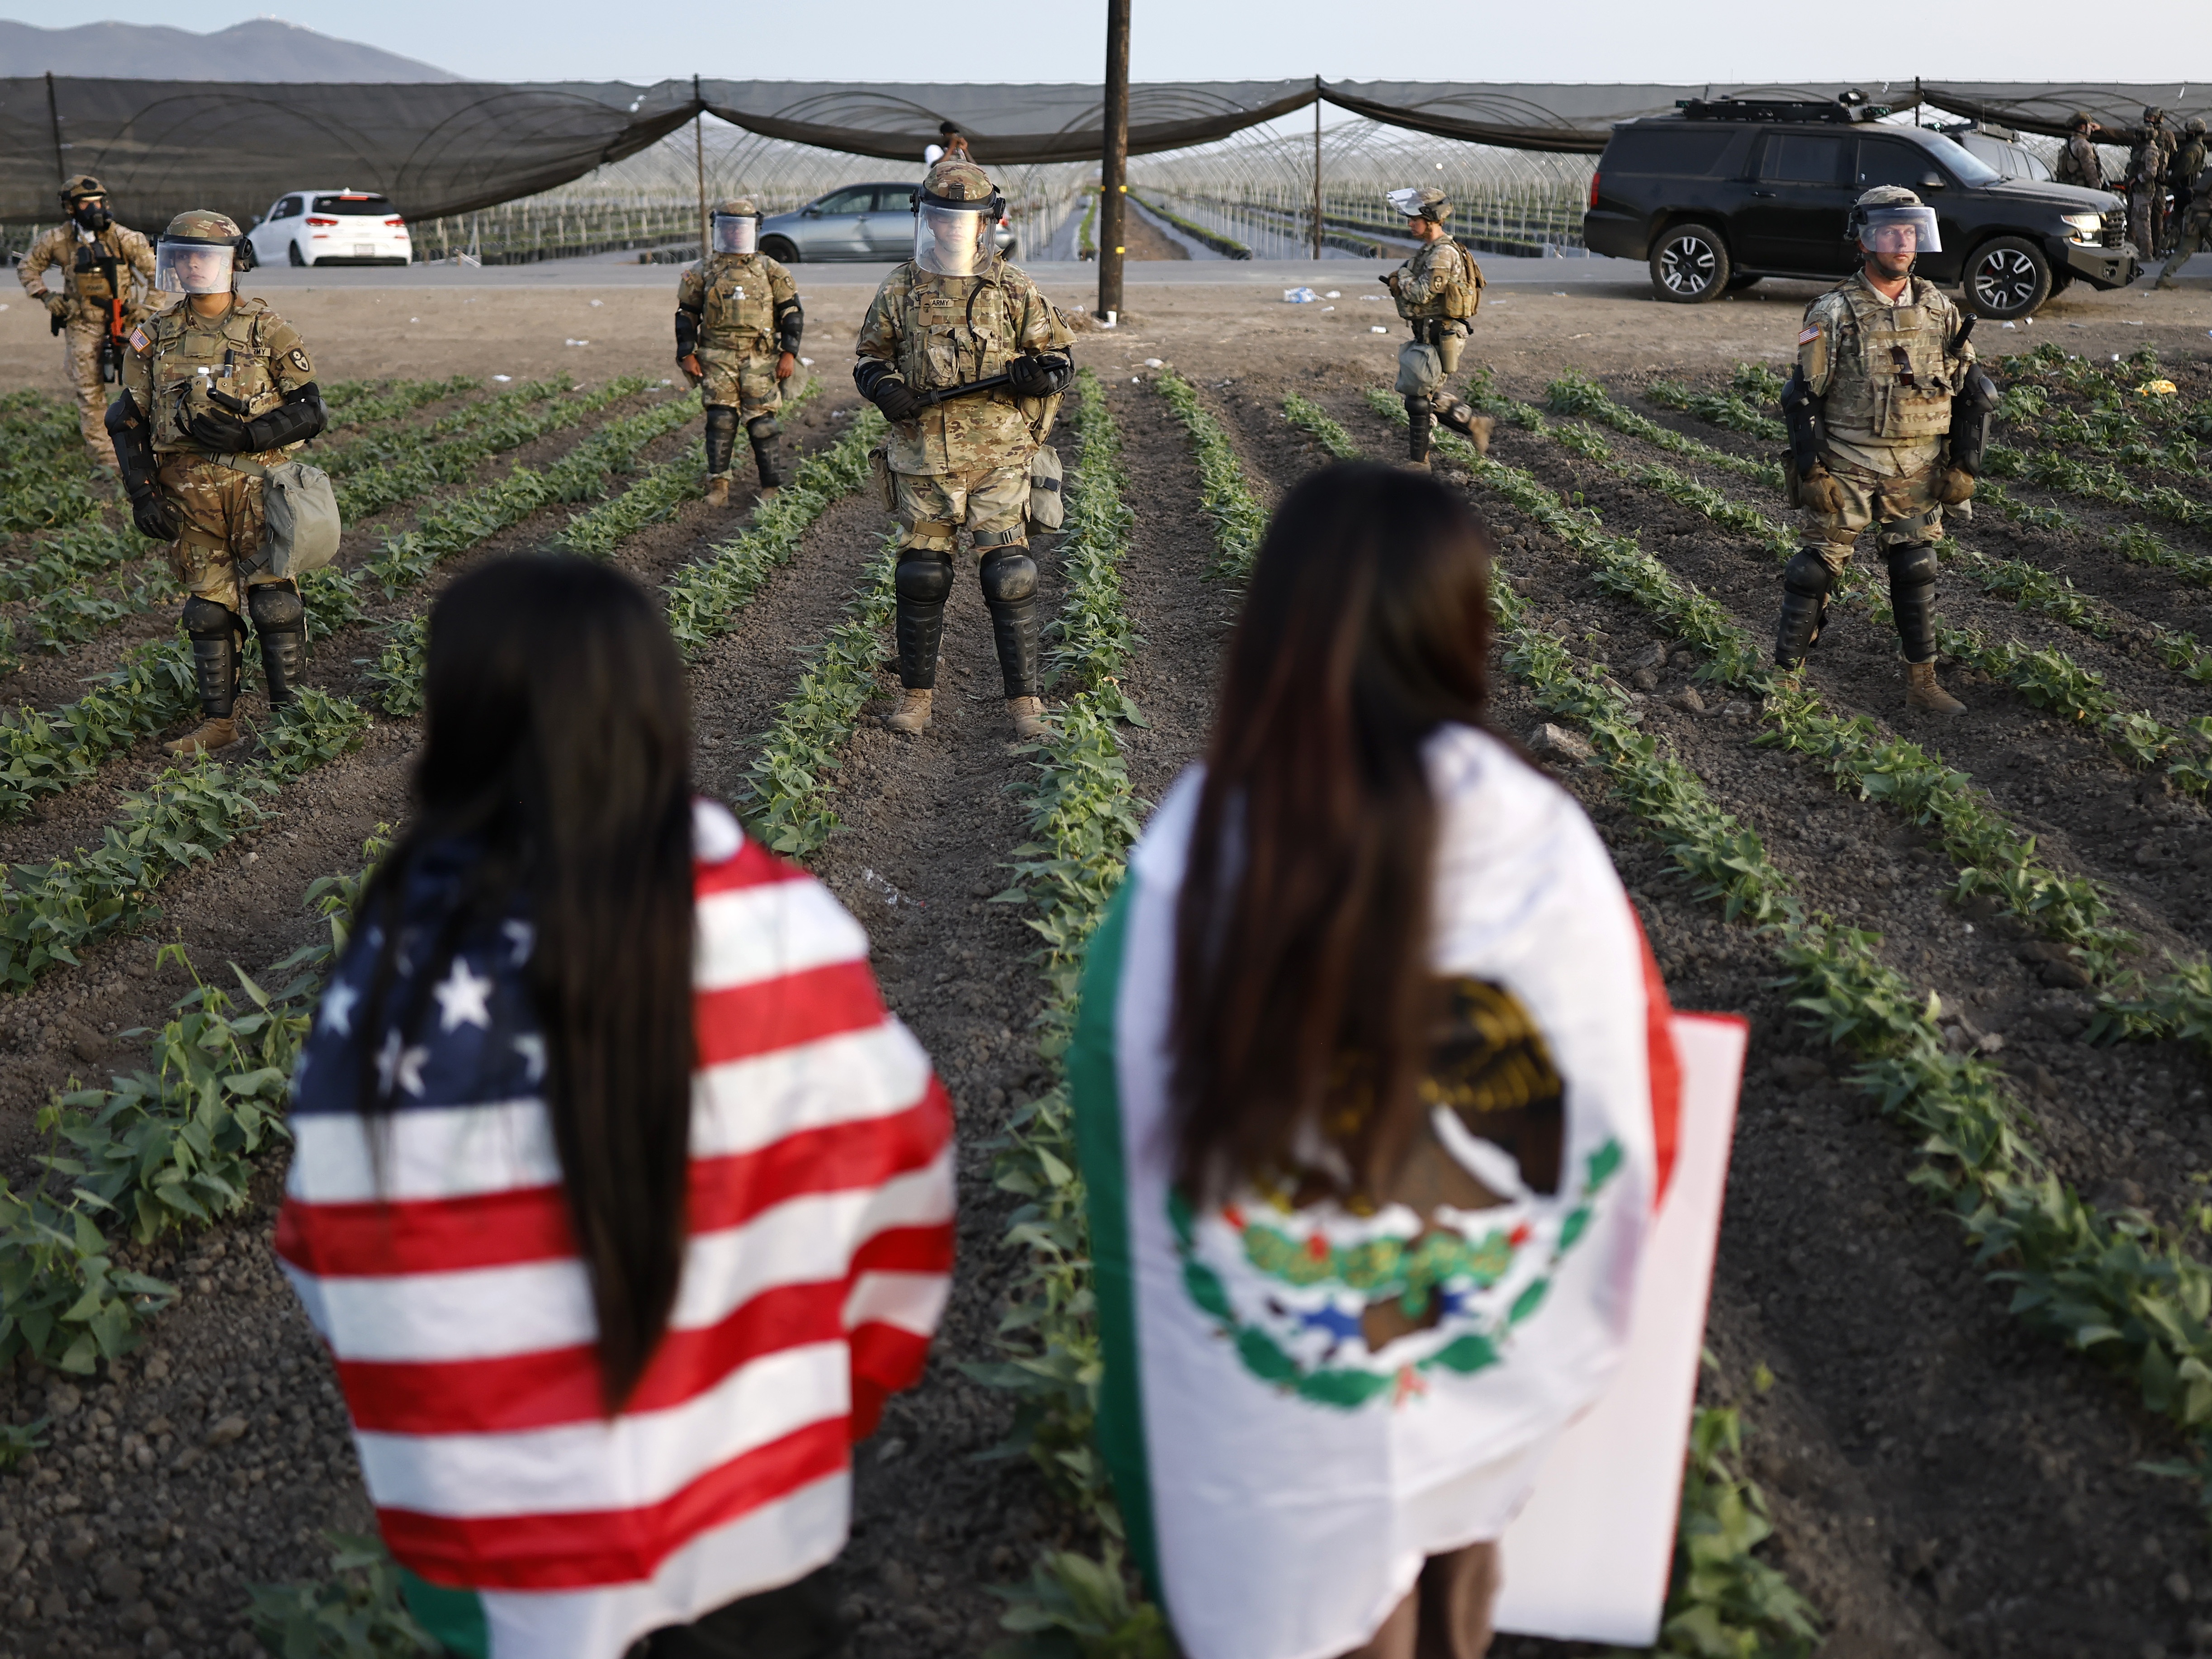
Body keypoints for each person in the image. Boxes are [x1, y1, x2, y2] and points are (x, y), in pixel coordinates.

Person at [276, 555, 955, 1659]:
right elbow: (905, 1187)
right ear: (658, 710)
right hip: (759, 1506)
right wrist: (841, 1396)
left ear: (455, 723)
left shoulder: (395, 967)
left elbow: (331, 1251)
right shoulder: (778, 933)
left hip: (506, 1550)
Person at [1070, 465, 1675, 1659]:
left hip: (1277, 1443)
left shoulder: (1191, 865)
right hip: (1480, 1388)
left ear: (1267, 635)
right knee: (1455, 1600)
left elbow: (1119, 1130)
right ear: (1465, 631)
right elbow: (1640, 1087)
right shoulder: (1545, 850)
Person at [853, 158, 1074, 739]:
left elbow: (1059, 359)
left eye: (965, 219)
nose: (953, 229)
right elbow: (869, 357)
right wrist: (885, 389)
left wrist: (1038, 376)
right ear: (927, 221)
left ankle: (1025, 705)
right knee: (922, 574)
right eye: (942, 218)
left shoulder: (1013, 287)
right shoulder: (901, 286)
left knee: (1011, 573)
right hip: (924, 455)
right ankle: (916, 699)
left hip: (999, 454)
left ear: (987, 223)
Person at [108, 209, 327, 756]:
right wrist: (142, 494)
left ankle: (289, 725)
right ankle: (219, 726)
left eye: (205, 256)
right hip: (189, 498)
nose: (192, 267)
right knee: (207, 612)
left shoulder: (267, 327)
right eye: (182, 257)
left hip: (258, 493)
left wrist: (250, 435)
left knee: (275, 605)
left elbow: (310, 410)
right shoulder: (153, 336)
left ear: (235, 263)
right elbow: (126, 419)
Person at [1774, 186, 1993, 718]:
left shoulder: (1939, 308)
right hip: (1849, 462)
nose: (1903, 242)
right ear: (1864, 239)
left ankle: (1922, 683)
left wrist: (1965, 464)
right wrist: (1810, 469)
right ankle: (1783, 682)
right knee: (1814, 572)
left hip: (1916, 465)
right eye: (1891, 231)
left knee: (1916, 568)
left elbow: (1972, 389)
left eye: (1910, 230)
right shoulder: (1833, 311)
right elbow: (1801, 395)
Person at [16, 174, 156, 473]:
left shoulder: (125, 238)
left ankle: (145, 447)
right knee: (88, 388)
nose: (95, 209)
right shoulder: (56, 239)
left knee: (145, 381)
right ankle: (106, 462)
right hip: (82, 323)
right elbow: (28, 266)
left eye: (99, 202)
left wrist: (149, 310)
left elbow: (157, 273)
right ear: (70, 207)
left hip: (127, 320)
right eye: (86, 203)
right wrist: (45, 295)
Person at [676, 198, 803, 509]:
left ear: (754, 230)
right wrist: (685, 354)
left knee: (763, 424)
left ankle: (771, 486)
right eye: (728, 228)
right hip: (716, 356)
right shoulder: (704, 270)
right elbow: (686, 314)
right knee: (720, 420)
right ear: (719, 229)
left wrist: (789, 354)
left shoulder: (771, 270)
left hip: (759, 358)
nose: (734, 235)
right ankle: (718, 484)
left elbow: (792, 314)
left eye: (740, 229)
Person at [1381, 187, 1494, 470]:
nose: (1409, 224)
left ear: (1431, 219)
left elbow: (1421, 294)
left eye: (1414, 219)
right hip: (1432, 330)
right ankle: (1476, 424)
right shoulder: (1430, 251)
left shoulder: (1443, 254)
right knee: (1426, 393)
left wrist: (1402, 277)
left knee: (1419, 399)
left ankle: (1419, 465)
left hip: (1442, 333)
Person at [2156, 149, 2212, 288]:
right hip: (2209, 216)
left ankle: (2164, 278)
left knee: (2184, 250)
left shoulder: (2210, 172)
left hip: (2194, 215)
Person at [2128, 107, 2173, 260]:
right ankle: (2143, 250)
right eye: (2147, 117)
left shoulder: (2164, 137)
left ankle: (2154, 251)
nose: (2149, 120)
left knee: (2154, 218)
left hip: (2154, 184)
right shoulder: (2143, 144)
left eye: (2152, 117)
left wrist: (2139, 178)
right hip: (2143, 185)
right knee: (2139, 218)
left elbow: (2156, 168)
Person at [2053, 112, 2105, 190]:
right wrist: (2098, 189)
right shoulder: (2084, 145)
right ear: (2083, 127)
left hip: (2068, 188)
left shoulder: (2070, 144)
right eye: (2090, 126)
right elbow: (2091, 172)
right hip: (2082, 190)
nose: (2092, 129)